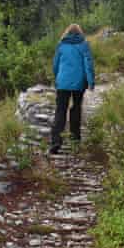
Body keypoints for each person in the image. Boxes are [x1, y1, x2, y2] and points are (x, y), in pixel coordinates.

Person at [50, 24, 95, 154]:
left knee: (60, 110)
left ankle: (56, 141)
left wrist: (57, 78)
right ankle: (75, 139)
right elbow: (88, 64)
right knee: (76, 108)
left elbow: (55, 65)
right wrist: (91, 82)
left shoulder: (61, 45)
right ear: (80, 33)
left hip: (62, 83)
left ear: (67, 32)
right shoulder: (84, 45)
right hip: (79, 83)